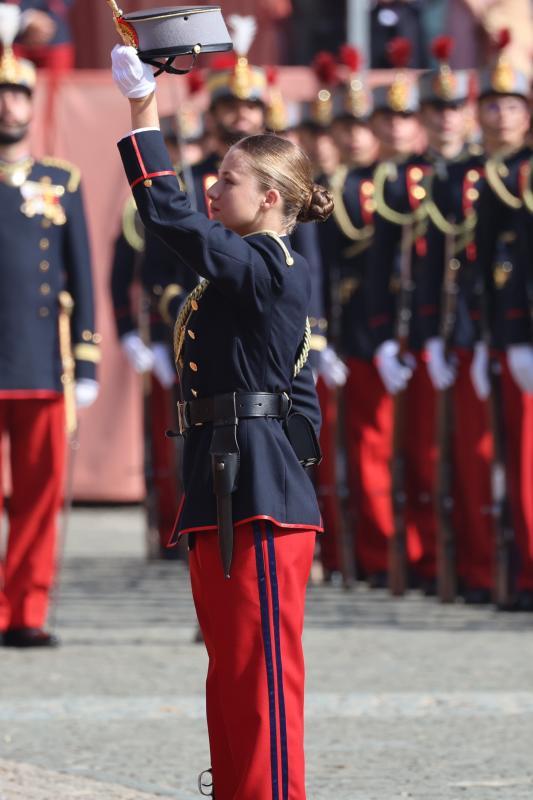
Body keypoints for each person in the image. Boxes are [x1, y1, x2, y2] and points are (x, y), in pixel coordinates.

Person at [111, 43, 331, 798]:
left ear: (271, 197)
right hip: (227, 479)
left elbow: (168, 217)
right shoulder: (245, 271)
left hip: (258, 492)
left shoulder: (266, 265)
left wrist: (143, 112)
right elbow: (304, 404)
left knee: (261, 674)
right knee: (229, 671)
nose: (213, 186)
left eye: (229, 178)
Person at [0, 37, 98, 647]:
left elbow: (80, 272)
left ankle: (26, 610)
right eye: (0, 94)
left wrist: (85, 360)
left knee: (40, 498)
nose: (8, 106)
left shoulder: (61, 181)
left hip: (42, 360)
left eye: (17, 95)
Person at [415, 37, 494, 602]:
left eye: (454, 108)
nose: (447, 119)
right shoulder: (431, 176)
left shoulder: (485, 172)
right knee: (457, 462)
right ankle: (474, 566)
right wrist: (429, 337)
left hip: (493, 327)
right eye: (436, 110)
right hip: (456, 330)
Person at [12, 1, 76, 71]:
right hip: (14, 38)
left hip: (56, 42)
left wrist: (48, 19)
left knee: (58, 80)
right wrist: (25, 17)